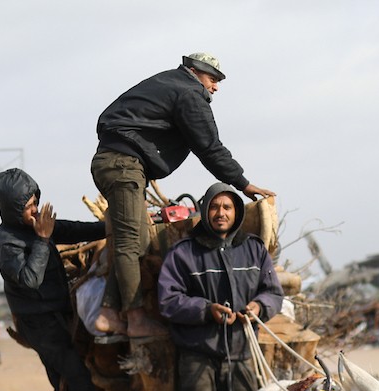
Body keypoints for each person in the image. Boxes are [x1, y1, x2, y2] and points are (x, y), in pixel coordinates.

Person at [92, 52, 275, 338]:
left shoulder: (170, 83)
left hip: (120, 162)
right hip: (123, 165)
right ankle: (135, 318)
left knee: (139, 241)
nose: (215, 87)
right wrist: (243, 184)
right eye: (212, 79)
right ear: (194, 71)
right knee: (130, 242)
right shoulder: (190, 93)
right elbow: (209, 147)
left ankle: (108, 313)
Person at [157, 182, 283, 391]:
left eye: (227, 207)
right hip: (197, 353)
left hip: (241, 352)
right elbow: (168, 300)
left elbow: (273, 292)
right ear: (205, 211)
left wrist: (258, 306)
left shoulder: (254, 249)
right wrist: (205, 310)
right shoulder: (184, 253)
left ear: (237, 212)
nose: (221, 213)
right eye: (214, 207)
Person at [0, 167, 106, 391]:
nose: (35, 210)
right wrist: (43, 240)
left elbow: (71, 230)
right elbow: (29, 279)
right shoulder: (6, 244)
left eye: (36, 202)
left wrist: (108, 227)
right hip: (38, 323)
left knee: (63, 381)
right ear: (14, 209)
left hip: (56, 315)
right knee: (77, 378)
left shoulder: (35, 226)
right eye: (29, 206)